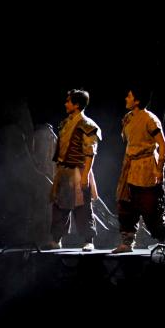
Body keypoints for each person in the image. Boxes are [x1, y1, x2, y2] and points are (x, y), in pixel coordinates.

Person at [113, 89, 165, 253]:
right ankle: (127, 243)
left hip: (146, 167)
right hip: (130, 167)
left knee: (150, 206)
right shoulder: (128, 118)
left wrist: (160, 169)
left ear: (137, 101)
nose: (126, 98)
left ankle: (162, 241)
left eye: (129, 96)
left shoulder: (150, 119)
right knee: (126, 205)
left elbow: (163, 146)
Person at [48, 89, 101, 251]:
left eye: (68, 101)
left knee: (82, 207)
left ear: (76, 105)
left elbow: (90, 153)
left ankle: (88, 240)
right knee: (59, 206)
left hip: (78, 171)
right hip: (64, 171)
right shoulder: (65, 123)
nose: (66, 104)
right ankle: (56, 239)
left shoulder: (87, 125)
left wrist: (85, 176)